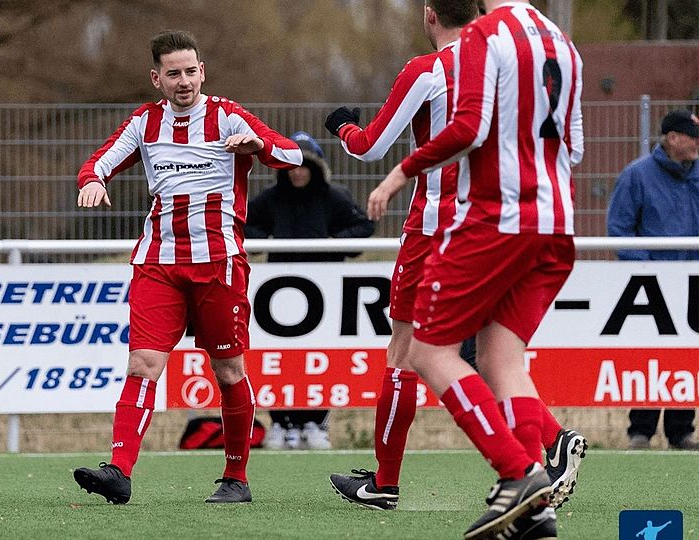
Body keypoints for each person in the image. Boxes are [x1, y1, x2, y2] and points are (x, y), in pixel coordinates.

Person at [366, 1, 585, 538]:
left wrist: (401, 172)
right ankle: (539, 513)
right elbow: (574, 146)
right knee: (501, 360)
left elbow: (467, 127)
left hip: (496, 221)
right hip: (556, 223)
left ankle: (519, 474)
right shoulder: (562, 39)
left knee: (426, 351)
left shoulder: (485, 34)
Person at [72, 30, 301, 505]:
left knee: (228, 369)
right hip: (158, 262)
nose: (183, 81)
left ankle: (236, 477)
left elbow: (293, 154)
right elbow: (98, 162)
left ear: (203, 72)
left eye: (190, 71)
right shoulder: (144, 123)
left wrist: (256, 145)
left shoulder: (226, 115)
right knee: (143, 364)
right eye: (173, 73)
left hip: (220, 263)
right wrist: (92, 180)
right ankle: (119, 470)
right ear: (156, 78)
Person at [324, 0, 479, 511]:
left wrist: (343, 125)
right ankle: (544, 451)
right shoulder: (504, 64)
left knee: (404, 353)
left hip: (435, 228)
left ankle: (385, 483)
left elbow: (371, 147)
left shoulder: (428, 68)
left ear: (430, 15)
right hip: (496, 227)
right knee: (499, 354)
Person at [245, 130, 374, 451]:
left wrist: (334, 244)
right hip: (279, 290)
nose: (298, 172)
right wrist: (266, 242)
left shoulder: (335, 196)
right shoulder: (271, 199)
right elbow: (243, 222)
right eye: (291, 166)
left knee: (321, 353)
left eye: (304, 165)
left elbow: (364, 225)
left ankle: (317, 422)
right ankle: (281, 423)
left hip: (326, 287)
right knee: (280, 354)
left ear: (316, 167)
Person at [608, 109, 699, 451]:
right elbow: (618, 228)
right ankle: (640, 430)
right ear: (673, 138)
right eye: (692, 137)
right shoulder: (637, 176)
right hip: (650, 284)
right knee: (648, 353)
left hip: (693, 282)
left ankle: (681, 430)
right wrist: (647, 269)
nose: (696, 144)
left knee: (688, 354)